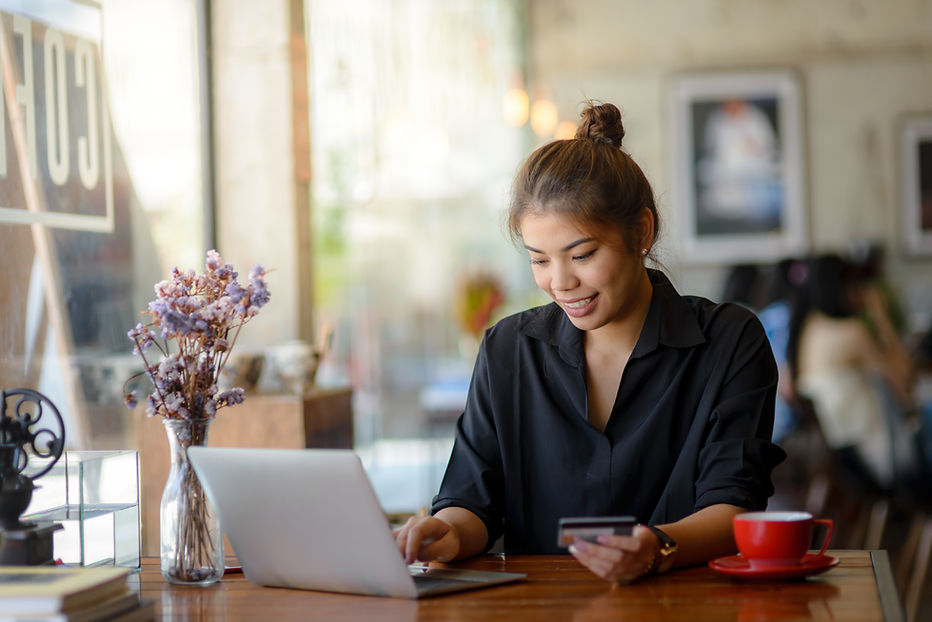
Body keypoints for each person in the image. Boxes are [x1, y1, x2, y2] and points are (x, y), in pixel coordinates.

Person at [394, 102, 786, 584]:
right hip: (542, 608)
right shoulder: (508, 349)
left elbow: (735, 505)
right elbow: (471, 501)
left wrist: (657, 547)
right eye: (539, 260)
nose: (560, 282)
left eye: (581, 255)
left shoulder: (729, 340)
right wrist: (448, 532)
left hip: (686, 602)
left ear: (641, 232)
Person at [786, 253, 921, 493]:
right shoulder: (851, 333)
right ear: (840, 289)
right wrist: (881, 317)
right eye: (854, 286)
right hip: (878, 462)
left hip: (846, 461)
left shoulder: (808, 331)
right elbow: (906, 378)